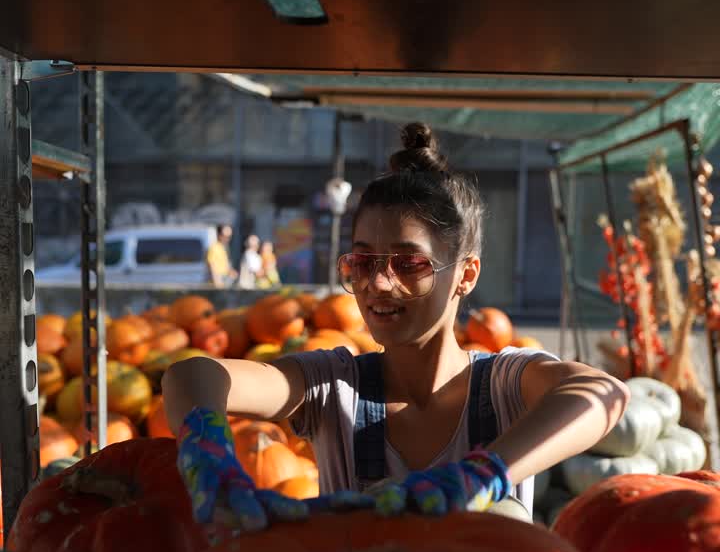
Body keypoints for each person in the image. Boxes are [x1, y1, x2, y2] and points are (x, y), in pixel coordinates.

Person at [165, 122, 629, 530]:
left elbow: (604, 394)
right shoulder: (333, 388)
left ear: (465, 274)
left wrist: (486, 472)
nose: (379, 284)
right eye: (363, 262)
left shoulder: (506, 386)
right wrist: (208, 454)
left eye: (408, 263)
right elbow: (192, 375)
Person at [205, 223, 237, 289]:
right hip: (218, 280)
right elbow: (212, 265)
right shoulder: (214, 248)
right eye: (225, 236)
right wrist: (217, 283)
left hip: (225, 279)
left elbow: (225, 265)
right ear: (219, 235)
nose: (227, 239)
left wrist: (231, 272)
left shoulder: (223, 248)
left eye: (229, 236)